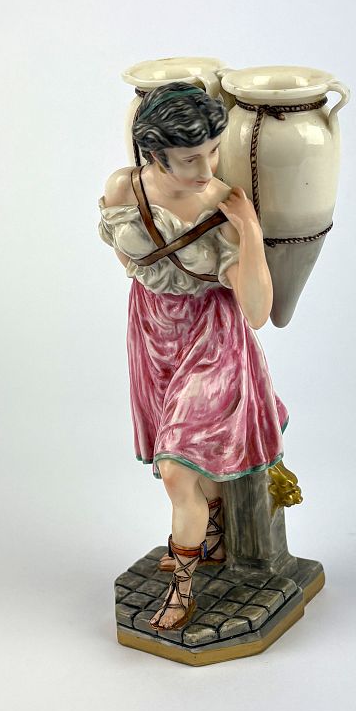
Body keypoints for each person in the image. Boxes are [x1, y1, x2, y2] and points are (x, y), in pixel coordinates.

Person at [98, 82, 287, 631]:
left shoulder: (222, 203)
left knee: (178, 471)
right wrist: (160, 291)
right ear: (154, 154)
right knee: (192, 463)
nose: (207, 169)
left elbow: (256, 312)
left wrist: (249, 231)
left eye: (213, 151)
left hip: (212, 338)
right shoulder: (123, 188)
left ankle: (181, 591)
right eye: (189, 158)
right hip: (153, 334)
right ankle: (212, 533)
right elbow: (128, 260)